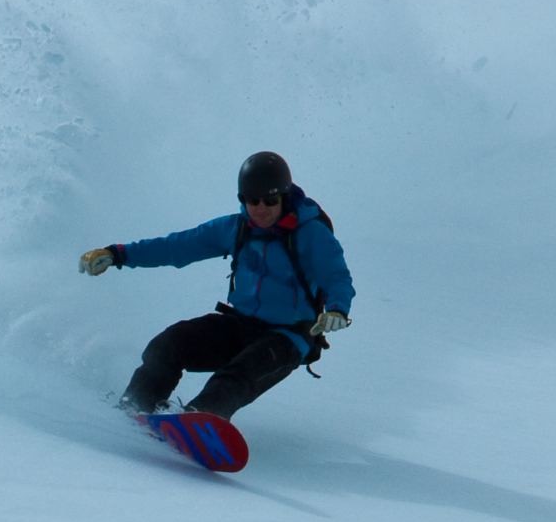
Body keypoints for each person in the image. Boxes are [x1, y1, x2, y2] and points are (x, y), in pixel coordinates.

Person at [78, 151, 355, 420]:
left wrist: (337, 310)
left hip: (289, 337)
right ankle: (135, 407)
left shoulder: (310, 234)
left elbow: (337, 277)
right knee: (168, 344)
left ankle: (200, 420)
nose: (260, 208)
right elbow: (178, 246)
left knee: (238, 376)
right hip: (242, 325)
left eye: (270, 200)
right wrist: (117, 254)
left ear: (283, 196)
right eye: (252, 199)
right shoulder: (236, 229)